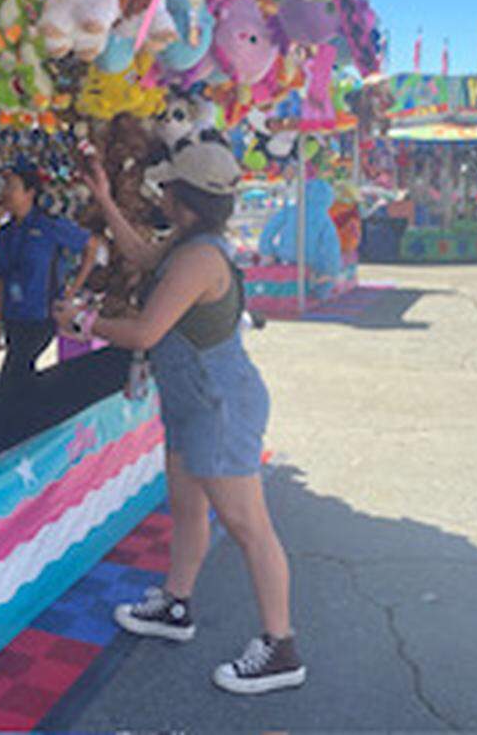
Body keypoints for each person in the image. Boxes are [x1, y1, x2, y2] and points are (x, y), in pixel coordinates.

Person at [53, 139, 305, 696]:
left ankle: (280, 646)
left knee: (248, 527)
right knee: (189, 509)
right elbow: (143, 257)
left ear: (183, 196)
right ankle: (176, 604)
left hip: (219, 407)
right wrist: (103, 198)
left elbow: (145, 332)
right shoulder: (185, 245)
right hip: (194, 402)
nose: (160, 195)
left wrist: (85, 323)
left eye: (167, 188)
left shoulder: (197, 258)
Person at [0, 163, 101, 389]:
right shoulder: (4, 234)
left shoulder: (49, 225)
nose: (6, 194)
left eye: (12, 188)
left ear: (29, 193)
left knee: (11, 376)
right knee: (23, 377)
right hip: (13, 317)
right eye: (5, 188)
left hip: (41, 316)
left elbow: (91, 244)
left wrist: (72, 290)